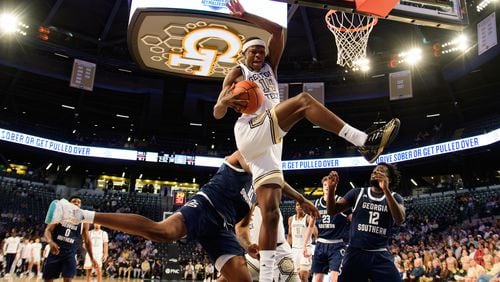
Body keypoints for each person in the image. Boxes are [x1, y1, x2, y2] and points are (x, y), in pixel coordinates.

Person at [214, 1, 400, 280]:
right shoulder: (238, 72)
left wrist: (247, 15)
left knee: (271, 209)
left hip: (271, 141)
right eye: (254, 51)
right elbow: (217, 113)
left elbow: (277, 31)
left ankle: (265, 277)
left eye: (261, 52)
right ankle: (363, 141)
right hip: (250, 130)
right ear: (244, 52)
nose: (258, 56)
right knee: (302, 102)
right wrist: (227, 100)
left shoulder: (269, 67)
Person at [44, 151, 319, 282]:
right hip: (205, 206)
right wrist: (301, 198)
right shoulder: (246, 158)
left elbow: (242, 228)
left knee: (241, 280)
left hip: (221, 229)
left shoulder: (254, 201)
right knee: (162, 232)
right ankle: (80, 213)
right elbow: (264, 173)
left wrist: (249, 246)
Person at [325, 164, 405, 282]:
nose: (376, 172)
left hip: (380, 254)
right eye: (374, 171)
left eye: (381, 171)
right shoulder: (358, 193)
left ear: (389, 179)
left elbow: (400, 219)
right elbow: (332, 210)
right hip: (355, 252)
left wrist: (386, 190)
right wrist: (331, 189)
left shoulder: (395, 197)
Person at [303, 176, 350, 282]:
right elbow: (310, 226)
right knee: (317, 279)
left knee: (335, 279)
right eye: (325, 185)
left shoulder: (341, 202)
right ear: (322, 187)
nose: (327, 187)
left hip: (337, 245)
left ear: (335, 186)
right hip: (321, 244)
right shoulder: (316, 204)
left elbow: (353, 220)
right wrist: (305, 245)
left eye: (329, 184)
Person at [236, 204, 299, 282]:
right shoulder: (243, 206)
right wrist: (248, 246)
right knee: (229, 274)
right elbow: (240, 229)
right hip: (256, 255)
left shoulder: (267, 198)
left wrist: (300, 199)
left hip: (278, 254)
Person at [43, 195, 98, 282]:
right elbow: (48, 230)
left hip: (70, 254)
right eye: (74, 201)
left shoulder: (83, 219)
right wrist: (50, 241)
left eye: (79, 202)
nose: (76, 203)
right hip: (55, 252)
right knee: (48, 280)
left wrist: (92, 257)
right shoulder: (60, 213)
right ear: (68, 204)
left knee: (68, 280)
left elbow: (87, 241)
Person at [288, 201, 316, 282]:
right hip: (294, 250)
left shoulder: (307, 218)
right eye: (297, 205)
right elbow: (289, 235)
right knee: (296, 277)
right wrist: (287, 249)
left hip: (305, 249)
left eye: (301, 205)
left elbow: (315, 233)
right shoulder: (290, 219)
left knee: (303, 275)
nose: (299, 206)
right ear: (295, 207)